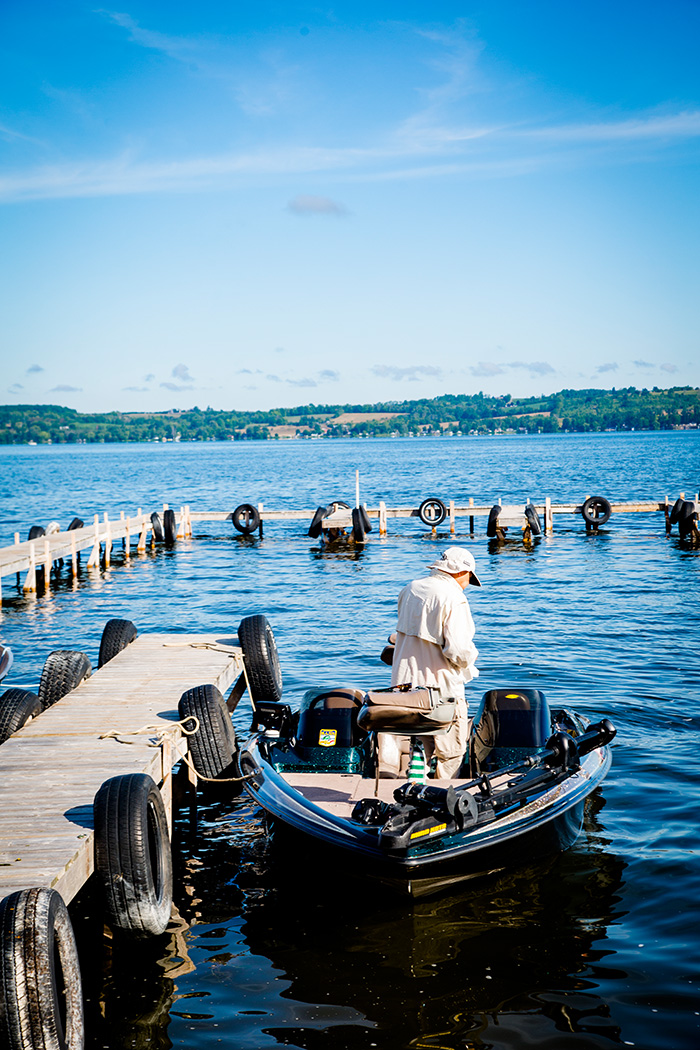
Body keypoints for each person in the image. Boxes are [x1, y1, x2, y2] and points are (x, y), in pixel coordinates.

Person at [386, 546, 481, 779]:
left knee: (421, 739)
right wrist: (472, 660)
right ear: (462, 572)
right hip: (441, 689)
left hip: (405, 686)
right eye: (470, 578)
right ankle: (443, 802)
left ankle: (416, 784)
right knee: (451, 751)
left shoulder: (410, 589)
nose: (469, 584)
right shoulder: (454, 598)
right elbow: (458, 650)